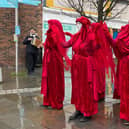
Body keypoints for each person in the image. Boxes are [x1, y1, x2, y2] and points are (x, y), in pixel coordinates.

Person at [62, 16, 99, 122]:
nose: (77, 26)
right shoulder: (76, 36)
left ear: (84, 25)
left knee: (86, 88)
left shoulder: (91, 36)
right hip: (77, 66)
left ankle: (87, 112)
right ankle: (79, 109)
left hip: (86, 65)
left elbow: (96, 47)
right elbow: (67, 44)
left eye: (79, 24)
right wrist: (57, 40)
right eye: (76, 24)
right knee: (77, 88)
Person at [40, 19, 70, 110]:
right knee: (49, 80)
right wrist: (44, 45)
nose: (49, 26)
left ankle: (56, 101)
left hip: (54, 60)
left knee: (54, 80)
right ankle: (48, 100)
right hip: (50, 59)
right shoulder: (54, 33)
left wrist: (47, 42)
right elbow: (50, 44)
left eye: (50, 25)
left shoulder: (55, 33)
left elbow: (54, 44)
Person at [104, 23, 129, 125]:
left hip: (124, 63)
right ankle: (126, 115)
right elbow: (115, 44)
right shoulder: (123, 33)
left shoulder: (122, 35)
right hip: (124, 64)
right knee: (126, 90)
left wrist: (107, 35)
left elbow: (115, 44)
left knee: (126, 90)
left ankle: (126, 115)